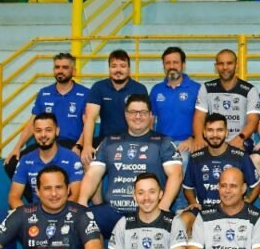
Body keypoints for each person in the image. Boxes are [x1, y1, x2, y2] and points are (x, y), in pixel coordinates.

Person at [78, 94, 183, 238]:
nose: (138, 116)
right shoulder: (110, 141)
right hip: (114, 211)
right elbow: (92, 174)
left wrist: (163, 207)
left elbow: (176, 175)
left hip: (149, 210)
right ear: (125, 114)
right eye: (133, 112)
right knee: (82, 220)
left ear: (150, 115)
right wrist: (82, 201)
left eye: (143, 112)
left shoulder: (163, 142)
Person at [5, 52, 88, 172]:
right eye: (57, 67)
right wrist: (17, 147)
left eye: (65, 67)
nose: (60, 71)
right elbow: (32, 123)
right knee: (11, 164)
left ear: (74, 71)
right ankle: (32, 185)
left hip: (71, 143)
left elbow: (88, 125)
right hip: (46, 143)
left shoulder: (85, 93)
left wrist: (78, 146)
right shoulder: (44, 93)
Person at [182, 113, 260, 234]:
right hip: (205, 212)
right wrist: (193, 202)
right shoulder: (196, 158)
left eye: (219, 130)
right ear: (204, 133)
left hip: (232, 211)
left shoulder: (240, 157)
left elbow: (256, 186)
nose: (215, 135)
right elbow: (188, 188)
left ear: (226, 132)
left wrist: (245, 203)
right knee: (182, 221)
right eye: (210, 130)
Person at [80, 49, 148, 165]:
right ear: (109, 68)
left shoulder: (139, 89)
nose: (118, 70)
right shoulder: (99, 87)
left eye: (122, 66)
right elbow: (90, 118)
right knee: (87, 162)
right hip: (105, 140)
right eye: (114, 66)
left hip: (132, 140)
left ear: (129, 69)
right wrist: (87, 146)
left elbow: (145, 119)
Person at [149, 46, 201, 194]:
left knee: (181, 161)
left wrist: (193, 138)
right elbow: (150, 120)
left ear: (183, 64)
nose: (172, 66)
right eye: (168, 63)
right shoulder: (156, 90)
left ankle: (180, 205)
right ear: (163, 65)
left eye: (175, 62)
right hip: (162, 143)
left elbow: (204, 119)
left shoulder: (197, 89)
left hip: (186, 143)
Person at [8, 112, 84, 207]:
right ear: (34, 133)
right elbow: (14, 197)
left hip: (65, 212)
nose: (43, 135)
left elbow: (76, 195)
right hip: (36, 213)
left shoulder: (72, 158)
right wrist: (26, 214)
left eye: (48, 130)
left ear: (57, 131)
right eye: (38, 131)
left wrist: (58, 213)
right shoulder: (25, 160)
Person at [192, 49, 260, 153]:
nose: (225, 67)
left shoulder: (250, 90)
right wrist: (199, 138)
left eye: (229, 63)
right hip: (213, 141)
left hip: (241, 140)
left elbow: (253, 120)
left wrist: (240, 138)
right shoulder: (206, 88)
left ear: (237, 65)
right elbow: (199, 117)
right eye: (221, 64)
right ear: (216, 67)